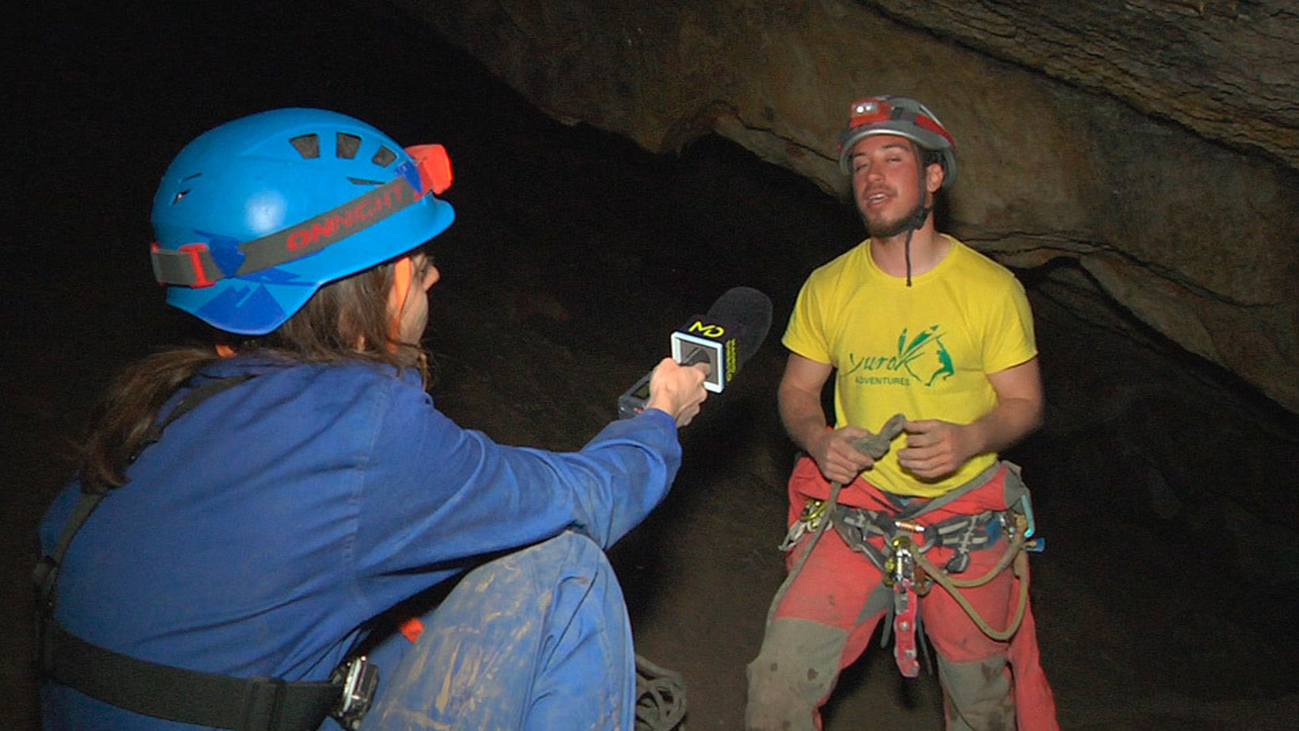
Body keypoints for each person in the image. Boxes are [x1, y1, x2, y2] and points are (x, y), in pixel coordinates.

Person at [34, 107, 708, 731]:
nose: (433, 279)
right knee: (563, 566)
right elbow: (586, 497)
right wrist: (659, 415)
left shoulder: (161, 401)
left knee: (418, 596)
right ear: (377, 288)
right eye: (418, 264)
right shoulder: (358, 425)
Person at [744, 95, 1058, 730]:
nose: (873, 177)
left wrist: (972, 437)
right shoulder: (830, 285)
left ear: (933, 177)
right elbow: (797, 392)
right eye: (860, 164)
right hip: (857, 512)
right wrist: (818, 439)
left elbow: (1025, 405)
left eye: (893, 159)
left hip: (961, 525)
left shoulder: (991, 290)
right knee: (778, 681)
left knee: (982, 705)